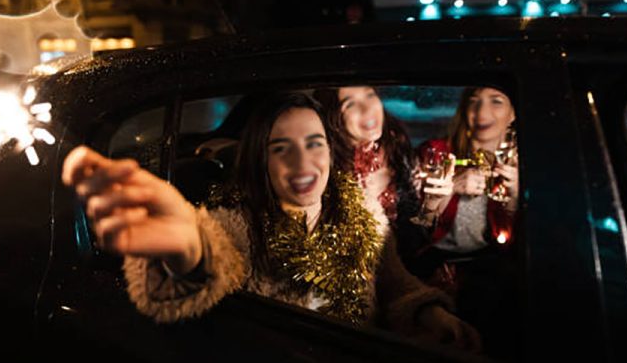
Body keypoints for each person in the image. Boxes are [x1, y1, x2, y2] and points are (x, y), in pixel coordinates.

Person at [61, 92, 481, 350]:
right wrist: (186, 248)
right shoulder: (237, 225)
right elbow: (209, 258)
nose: (303, 163)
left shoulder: (366, 217)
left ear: (331, 152)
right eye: (281, 148)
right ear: (261, 158)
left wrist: (429, 315)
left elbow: (394, 284)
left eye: (313, 144)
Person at [409, 86, 519, 359]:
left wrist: (516, 196)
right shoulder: (436, 153)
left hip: (494, 264)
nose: (482, 112)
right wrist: (450, 189)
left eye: (496, 101)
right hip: (435, 258)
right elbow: (416, 228)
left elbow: (531, 240)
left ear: (513, 113)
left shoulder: (520, 164)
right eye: (474, 102)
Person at [313, 86, 427, 250]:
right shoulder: (327, 174)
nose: (368, 108)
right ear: (334, 119)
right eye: (350, 104)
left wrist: (433, 201)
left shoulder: (400, 152)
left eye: (370, 95)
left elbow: (420, 229)